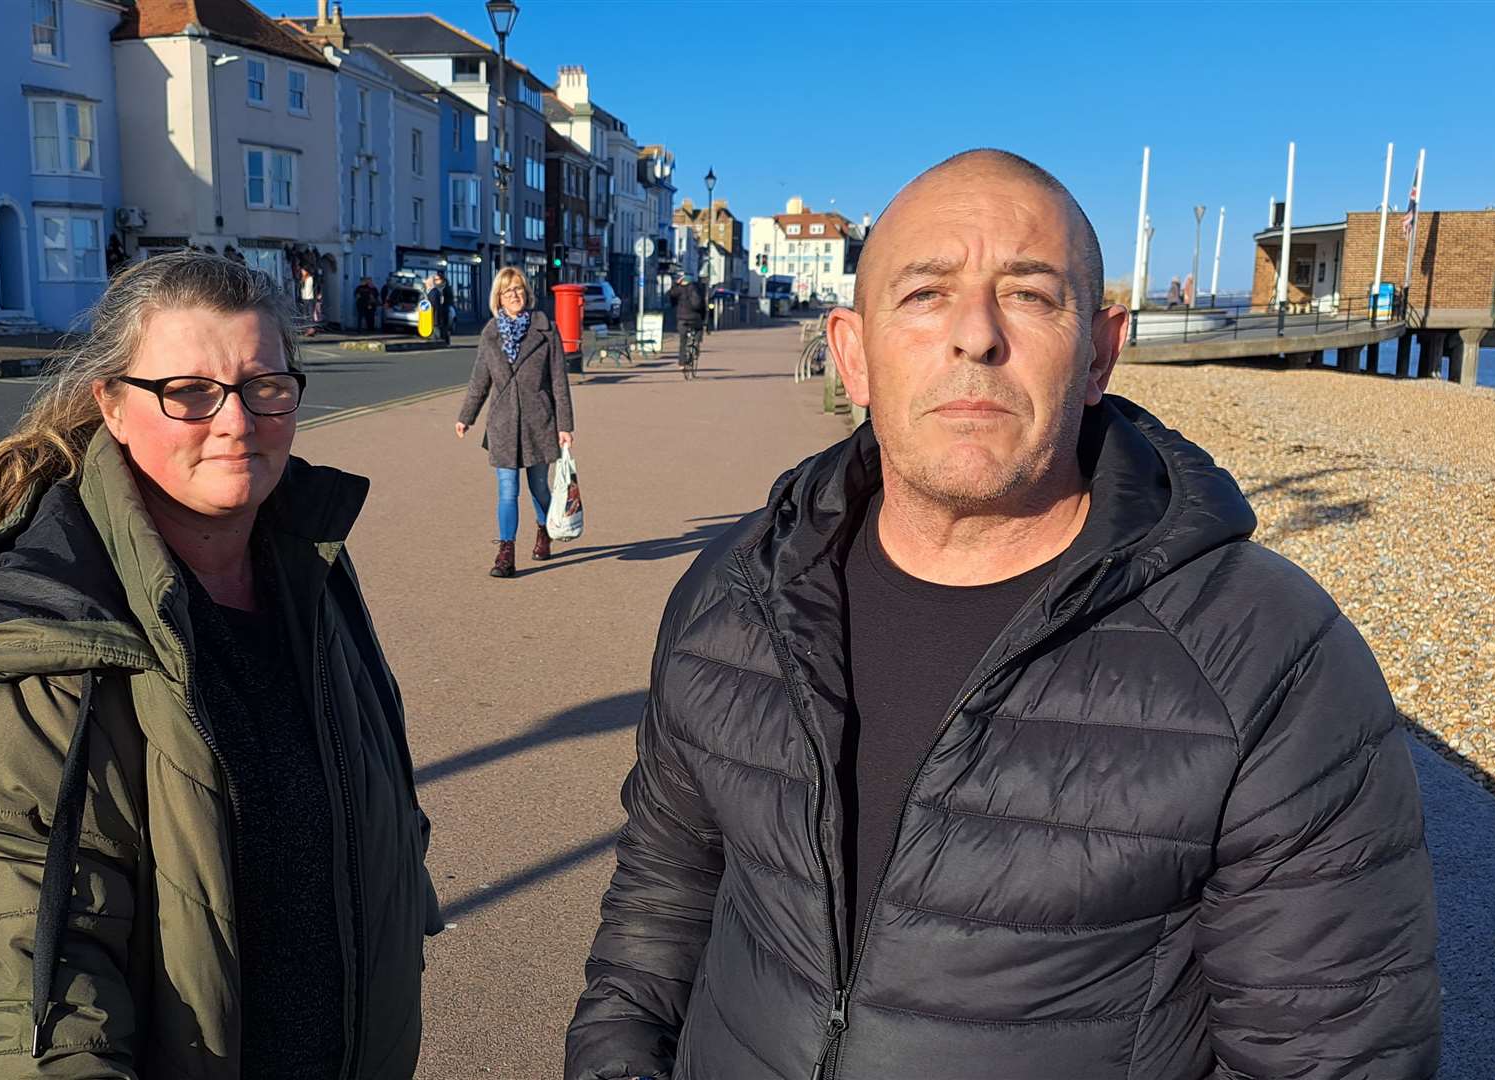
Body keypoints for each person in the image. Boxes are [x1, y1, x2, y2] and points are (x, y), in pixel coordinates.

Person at [565, 150, 1439, 1080]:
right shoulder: (732, 596)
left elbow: (1330, 1051)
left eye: (1028, 295)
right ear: (852, 355)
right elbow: (661, 905)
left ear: (1100, 351)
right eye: (925, 294)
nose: (975, 336)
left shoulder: (1267, 661)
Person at [0, 251, 441, 1078]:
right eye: (189, 393)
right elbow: (29, 986)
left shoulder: (310, 567)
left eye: (264, 387)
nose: (237, 422)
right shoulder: (41, 630)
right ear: (112, 404)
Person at [455, 266, 574, 578]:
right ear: (499, 298)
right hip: (503, 423)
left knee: (538, 488)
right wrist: (465, 418)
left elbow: (559, 380)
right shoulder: (491, 333)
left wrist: (565, 426)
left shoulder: (545, 330)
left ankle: (543, 530)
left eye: (519, 289)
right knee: (507, 491)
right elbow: (479, 381)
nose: (515, 296)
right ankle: (506, 552)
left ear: (527, 293)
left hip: (540, 421)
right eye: (508, 292)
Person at [666, 271, 706, 367]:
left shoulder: (678, 289)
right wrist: (704, 319)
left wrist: (676, 284)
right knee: (699, 328)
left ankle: (681, 363)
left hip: (682, 319)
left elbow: (670, 295)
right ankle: (696, 343)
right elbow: (702, 306)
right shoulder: (697, 289)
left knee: (682, 341)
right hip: (695, 318)